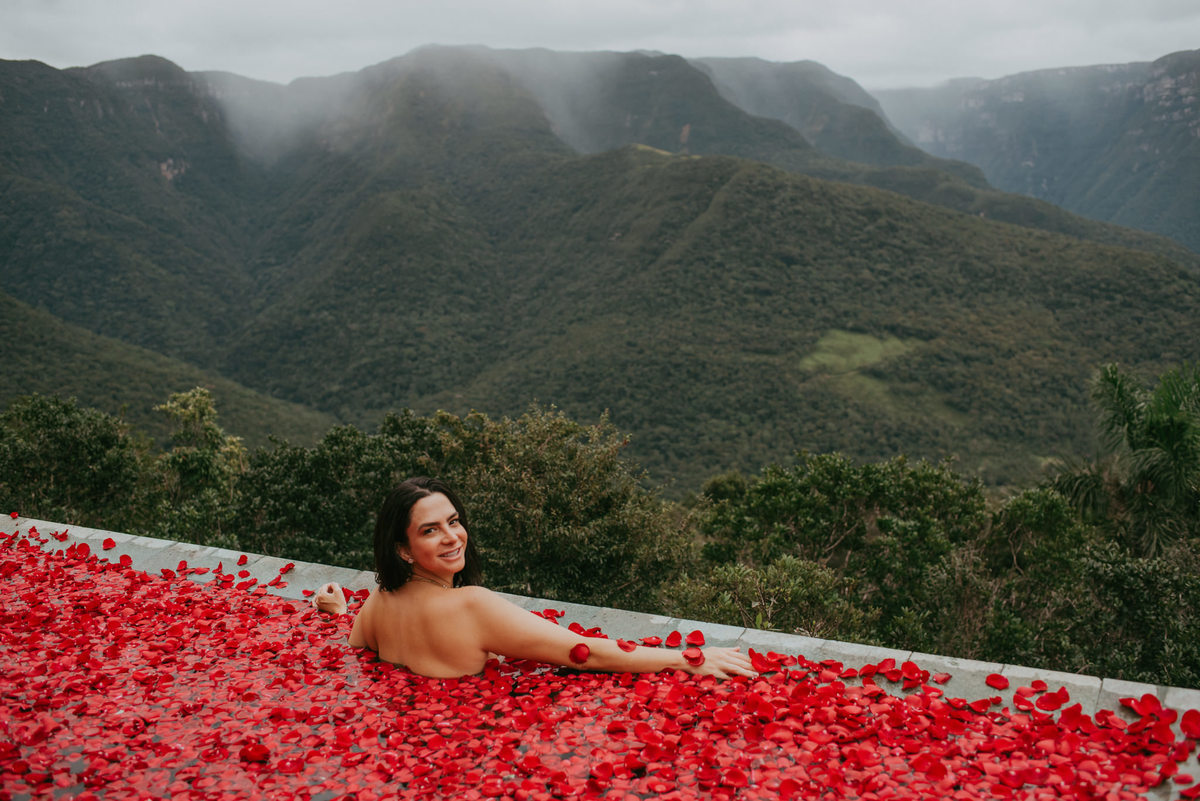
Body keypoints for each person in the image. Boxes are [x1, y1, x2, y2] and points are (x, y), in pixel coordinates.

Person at [315, 476, 755, 679]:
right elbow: (583, 653)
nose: (452, 537)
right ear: (403, 548)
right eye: (430, 530)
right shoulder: (471, 604)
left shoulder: (379, 600)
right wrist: (689, 659)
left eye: (454, 521)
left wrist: (338, 612)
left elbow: (355, 646)